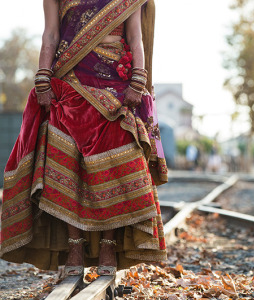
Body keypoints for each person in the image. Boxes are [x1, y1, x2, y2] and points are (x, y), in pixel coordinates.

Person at [0, 0, 168, 276]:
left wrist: (138, 78)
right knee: (67, 166)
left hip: (115, 88)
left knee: (115, 167)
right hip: (69, 84)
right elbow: (51, 34)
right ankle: (74, 247)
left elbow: (135, 36)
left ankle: (108, 246)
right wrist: (43, 76)